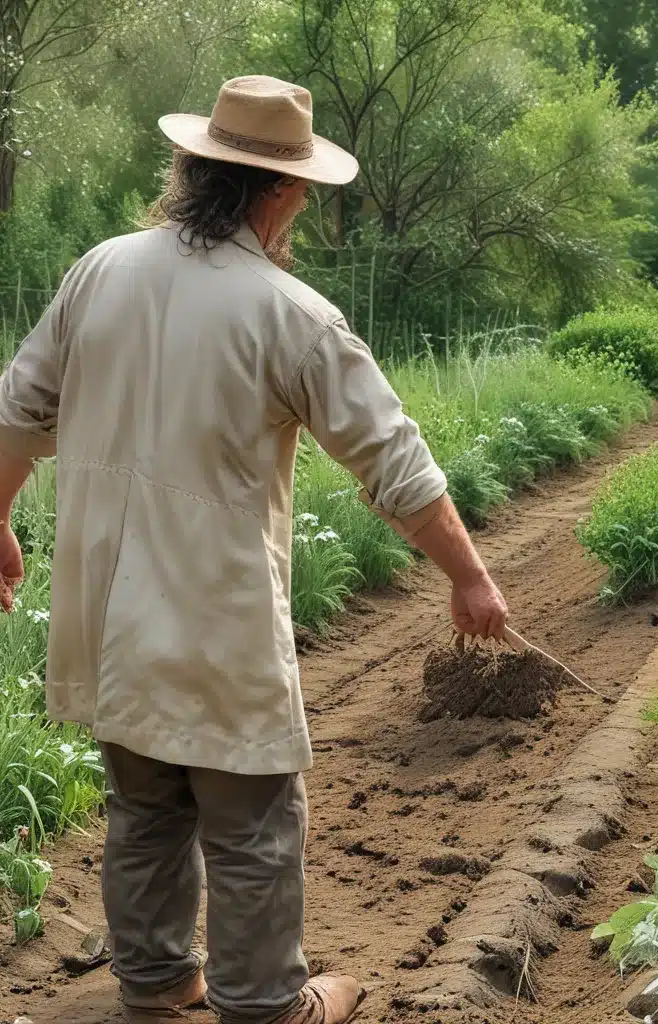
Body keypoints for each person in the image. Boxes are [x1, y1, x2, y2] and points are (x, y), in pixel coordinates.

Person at [0, 76, 508, 1024]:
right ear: (275, 193)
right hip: (213, 619)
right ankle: (269, 1002)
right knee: (255, 823)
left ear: (193, 169)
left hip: (106, 609)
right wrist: (470, 578)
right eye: (303, 191)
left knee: (144, 802)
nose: (303, 208)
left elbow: (18, 411)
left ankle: (154, 982)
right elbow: (393, 462)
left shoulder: (98, 271)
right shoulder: (292, 315)